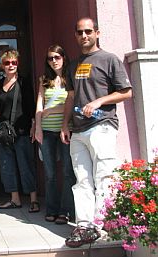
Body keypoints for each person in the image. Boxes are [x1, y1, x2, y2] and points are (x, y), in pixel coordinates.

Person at [60, 17, 132, 247]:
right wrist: (64, 124)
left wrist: (100, 101)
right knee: (81, 180)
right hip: (78, 130)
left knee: (104, 177)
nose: (84, 36)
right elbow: (71, 97)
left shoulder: (109, 59)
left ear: (97, 33)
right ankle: (85, 226)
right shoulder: (73, 65)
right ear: (76, 35)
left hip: (102, 125)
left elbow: (126, 92)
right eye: (80, 32)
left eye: (88, 31)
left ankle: (104, 225)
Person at [0, 49, 39, 212]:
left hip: (22, 130)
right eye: (7, 63)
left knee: (26, 165)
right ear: (2, 65)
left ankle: (33, 199)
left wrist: (33, 125)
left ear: (18, 64)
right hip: (5, 132)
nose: (10, 65)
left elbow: (31, 106)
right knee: (7, 166)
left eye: (13, 62)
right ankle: (14, 199)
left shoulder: (23, 82)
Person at [35, 45, 76, 224]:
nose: (54, 61)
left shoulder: (71, 79)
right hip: (46, 130)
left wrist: (51, 110)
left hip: (65, 130)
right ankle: (51, 209)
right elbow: (39, 105)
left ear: (63, 58)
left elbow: (73, 103)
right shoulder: (44, 80)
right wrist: (37, 128)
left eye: (57, 57)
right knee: (50, 173)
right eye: (50, 58)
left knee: (68, 172)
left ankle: (65, 210)